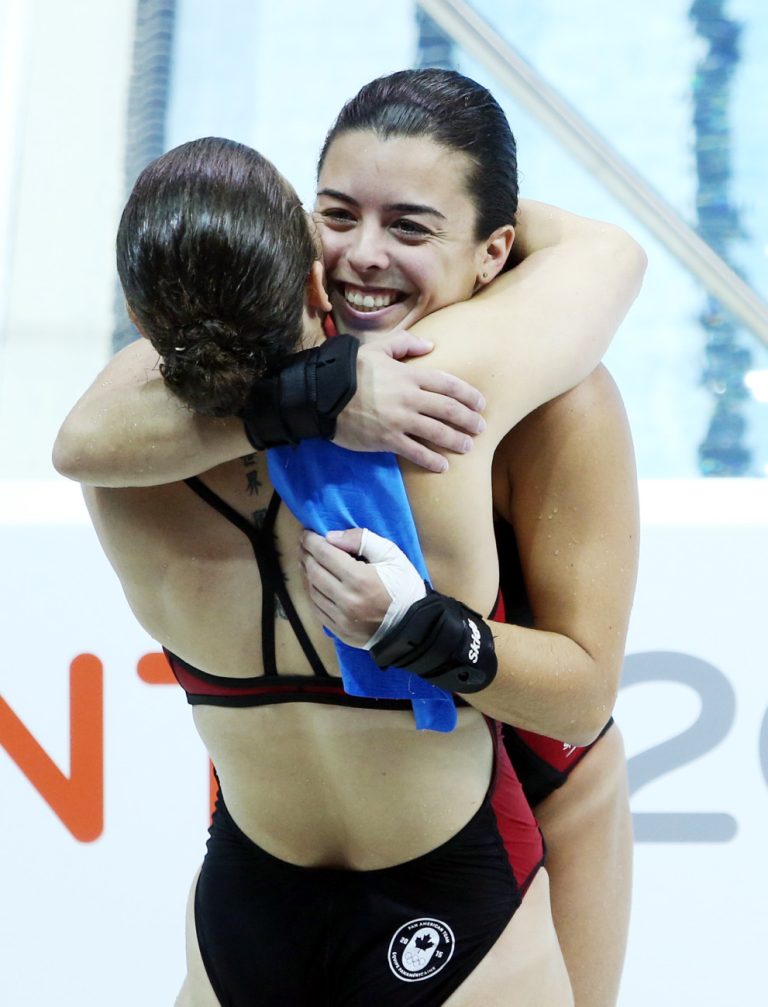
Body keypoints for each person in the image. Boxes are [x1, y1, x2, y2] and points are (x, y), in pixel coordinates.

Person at [53, 74, 644, 1006]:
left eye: (409, 225)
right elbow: (605, 253)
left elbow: (580, 698)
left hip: (515, 806)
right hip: (358, 867)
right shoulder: (453, 385)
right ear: (300, 248)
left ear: (494, 250)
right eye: (337, 216)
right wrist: (320, 391)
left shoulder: (551, 399)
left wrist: (425, 629)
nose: (364, 255)